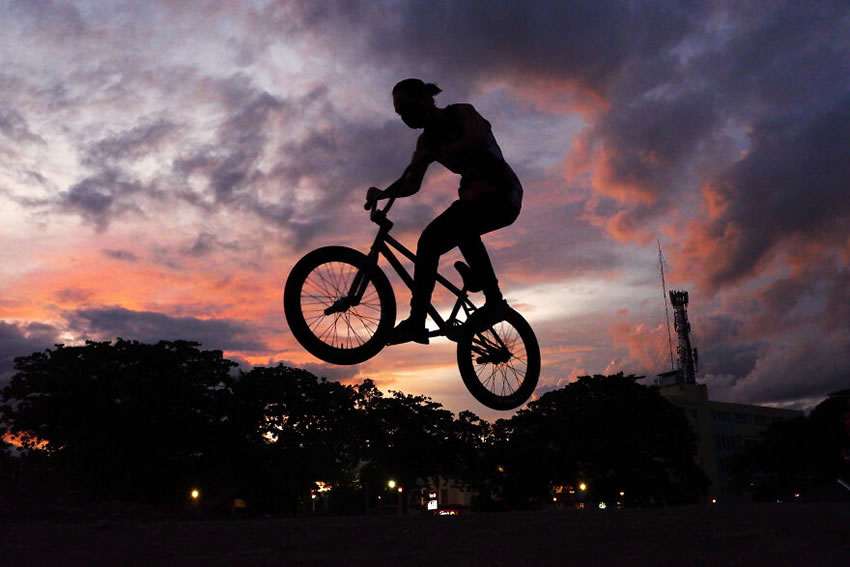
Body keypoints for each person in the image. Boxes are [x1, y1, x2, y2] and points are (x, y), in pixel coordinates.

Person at [364, 78, 523, 345]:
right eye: (398, 112)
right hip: (472, 199)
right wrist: (383, 193)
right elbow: (411, 183)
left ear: (424, 98)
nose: (403, 116)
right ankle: (417, 321)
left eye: (405, 107)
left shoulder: (461, 112)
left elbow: (476, 137)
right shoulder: (425, 142)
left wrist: (437, 150)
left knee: (461, 224)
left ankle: (494, 300)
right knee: (428, 242)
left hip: (502, 191)